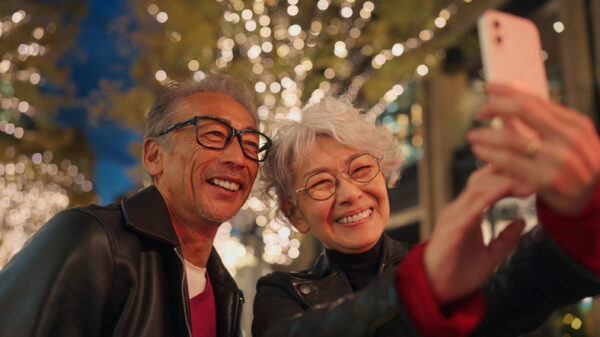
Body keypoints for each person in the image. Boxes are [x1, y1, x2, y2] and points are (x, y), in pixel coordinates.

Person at [252, 86, 600, 337]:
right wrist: (421, 291)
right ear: (294, 213)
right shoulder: (281, 292)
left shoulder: (440, 267)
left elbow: (517, 293)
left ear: (384, 172)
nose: (349, 193)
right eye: (320, 184)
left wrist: (583, 217)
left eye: (360, 169)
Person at [0, 74, 272, 337]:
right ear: (154, 156)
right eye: (213, 134)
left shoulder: (227, 292)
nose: (238, 158)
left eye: (250, 144)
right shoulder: (91, 240)